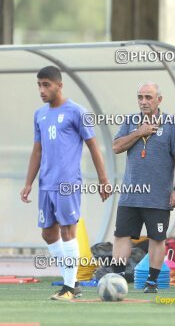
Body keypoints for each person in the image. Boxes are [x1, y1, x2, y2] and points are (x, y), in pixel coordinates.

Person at [20, 66, 110, 300]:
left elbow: (93, 146)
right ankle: (73, 282)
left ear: (59, 85)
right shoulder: (38, 114)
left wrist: (103, 180)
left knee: (68, 231)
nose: (41, 89)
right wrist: (28, 182)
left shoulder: (77, 112)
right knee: (48, 234)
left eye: (46, 84)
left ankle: (69, 287)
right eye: (39, 84)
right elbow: (37, 151)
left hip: (67, 183)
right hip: (46, 184)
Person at [111, 82, 175, 293]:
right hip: (131, 195)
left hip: (158, 196)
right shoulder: (130, 122)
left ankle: (152, 282)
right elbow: (116, 146)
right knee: (121, 235)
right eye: (140, 97)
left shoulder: (172, 124)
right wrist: (138, 132)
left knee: (157, 238)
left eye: (148, 97)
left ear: (159, 100)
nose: (143, 101)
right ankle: (116, 279)